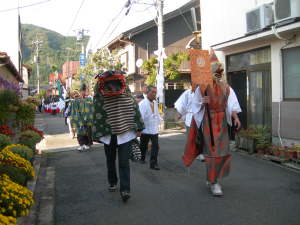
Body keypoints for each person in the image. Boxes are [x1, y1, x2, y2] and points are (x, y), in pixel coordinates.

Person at [183, 50, 241, 197]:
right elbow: (195, 105)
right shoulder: (202, 87)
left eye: (220, 70)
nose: (219, 73)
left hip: (221, 123)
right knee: (212, 153)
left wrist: (235, 117)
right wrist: (202, 102)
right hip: (209, 123)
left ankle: (213, 178)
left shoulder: (226, 87)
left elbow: (232, 104)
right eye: (216, 70)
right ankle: (214, 182)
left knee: (222, 152)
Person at [92, 70, 144, 202]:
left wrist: (138, 127)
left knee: (123, 162)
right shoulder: (99, 95)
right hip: (109, 134)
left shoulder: (126, 93)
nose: (112, 87)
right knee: (110, 160)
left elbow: (134, 109)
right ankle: (112, 181)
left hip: (125, 133)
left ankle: (125, 189)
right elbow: (97, 112)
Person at [175, 86, 205, 162]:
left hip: (201, 116)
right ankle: (189, 152)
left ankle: (200, 153)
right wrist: (179, 114)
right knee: (190, 136)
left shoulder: (203, 92)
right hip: (190, 116)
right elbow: (182, 104)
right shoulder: (188, 93)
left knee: (199, 135)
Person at [139, 85, 162, 170]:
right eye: (152, 92)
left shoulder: (155, 103)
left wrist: (160, 120)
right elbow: (140, 117)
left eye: (155, 92)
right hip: (145, 129)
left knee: (155, 145)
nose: (154, 94)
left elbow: (157, 114)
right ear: (147, 92)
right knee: (143, 145)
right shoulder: (142, 104)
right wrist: (139, 129)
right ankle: (141, 158)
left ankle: (153, 164)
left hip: (153, 129)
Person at [70, 84, 94, 151]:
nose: (84, 92)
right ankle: (81, 144)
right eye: (83, 91)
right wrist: (79, 120)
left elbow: (92, 108)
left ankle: (87, 144)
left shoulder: (89, 99)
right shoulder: (76, 101)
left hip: (88, 119)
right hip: (79, 119)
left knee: (88, 132)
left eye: (85, 91)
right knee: (80, 132)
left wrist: (91, 117)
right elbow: (75, 111)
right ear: (80, 91)